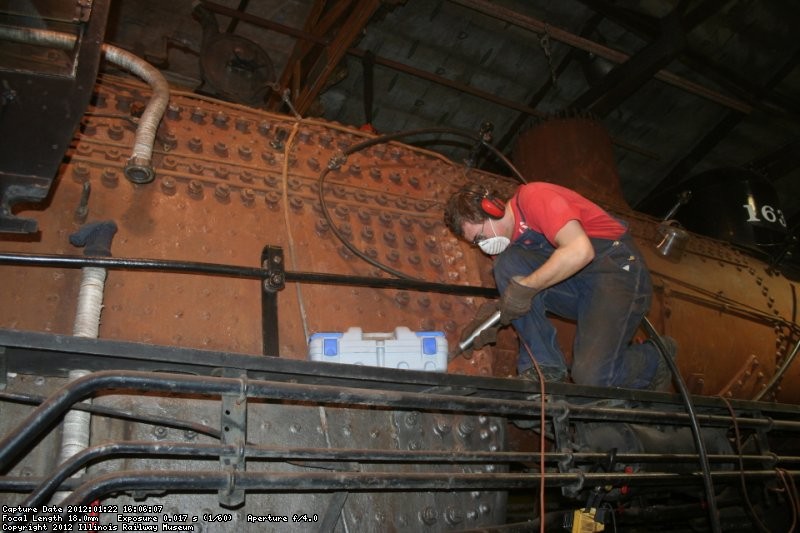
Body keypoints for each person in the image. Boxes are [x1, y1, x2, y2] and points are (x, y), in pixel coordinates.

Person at [444, 181, 675, 390]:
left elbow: (580, 251)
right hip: (578, 286)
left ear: (492, 209)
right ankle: (545, 368)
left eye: (479, 238)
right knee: (507, 265)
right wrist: (499, 312)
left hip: (616, 270)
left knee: (590, 377)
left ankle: (655, 358)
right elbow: (523, 289)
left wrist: (523, 289)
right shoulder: (507, 251)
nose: (483, 246)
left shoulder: (534, 197)